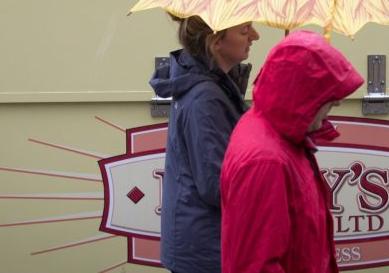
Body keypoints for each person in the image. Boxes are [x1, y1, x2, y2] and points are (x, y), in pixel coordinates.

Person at [220, 30, 364, 273]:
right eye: (325, 90)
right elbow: (255, 266)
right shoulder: (266, 161)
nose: (337, 101)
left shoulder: (277, 133)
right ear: (303, 92)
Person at [149, 14, 260, 273]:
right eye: (245, 31)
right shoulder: (206, 98)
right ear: (215, 42)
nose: (255, 36)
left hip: (200, 241)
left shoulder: (213, 86)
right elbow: (216, 185)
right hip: (207, 249)